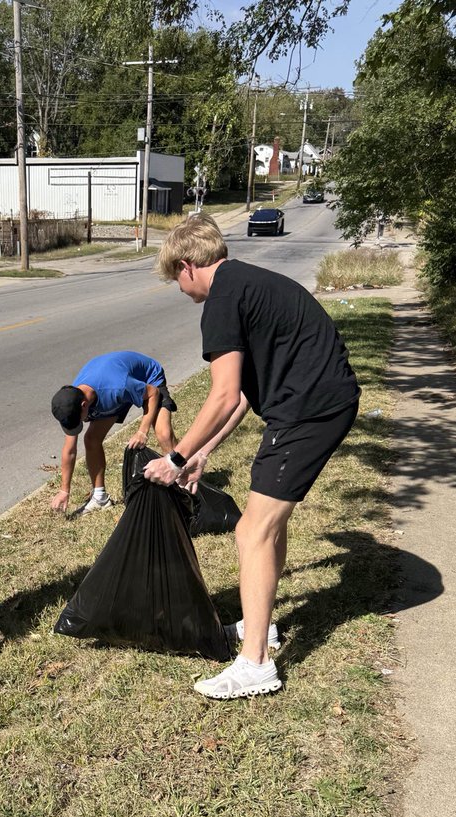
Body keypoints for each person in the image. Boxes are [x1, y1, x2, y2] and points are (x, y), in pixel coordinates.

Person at [144, 214, 360, 700]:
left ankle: (256, 663)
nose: (179, 288)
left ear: (187, 266)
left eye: (175, 279)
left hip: (310, 411)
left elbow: (222, 396)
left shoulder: (222, 300)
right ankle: (259, 625)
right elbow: (242, 393)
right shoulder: (245, 283)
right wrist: (203, 451)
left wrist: (175, 458)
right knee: (269, 524)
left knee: (251, 530)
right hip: (317, 404)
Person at [49, 350, 177, 515]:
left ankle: (185, 481)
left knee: (164, 434)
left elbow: (153, 393)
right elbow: (70, 450)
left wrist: (142, 431)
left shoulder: (117, 386)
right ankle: (100, 498)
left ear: (84, 405)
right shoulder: (71, 400)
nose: (82, 422)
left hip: (148, 379)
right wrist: (64, 490)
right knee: (91, 439)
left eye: (80, 420)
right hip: (113, 389)